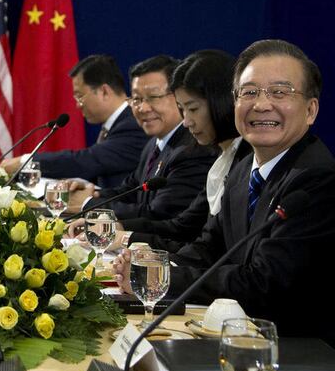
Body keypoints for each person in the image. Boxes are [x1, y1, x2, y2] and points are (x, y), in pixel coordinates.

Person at [112, 39, 335, 369]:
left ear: (311, 110)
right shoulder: (244, 168)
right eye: (248, 92)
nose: (261, 105)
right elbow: (208, 248)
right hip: (248, 345)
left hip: (314, 360)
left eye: (279, 92)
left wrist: (164, 281)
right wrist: (151, 268)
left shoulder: (317, 180)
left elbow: (263, 285)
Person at [72, 50, 251, 252]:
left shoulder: (203, 153)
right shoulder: (218, 157)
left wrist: (105, 220)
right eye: (137, 99)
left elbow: (177, 227)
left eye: (192, 109)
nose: (187, 121)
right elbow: (181, 226)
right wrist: (115, 226)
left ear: (221, 102)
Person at [71, 55, 217, 220]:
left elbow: (158, 214)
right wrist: (91, 193)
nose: (143, 108)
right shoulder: (153, 144)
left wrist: (88, 204)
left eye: (153, 97)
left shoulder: (193, 151)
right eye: (136, 99)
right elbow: (130, 190)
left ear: (178, 96)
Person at [0, 54, 147, 188]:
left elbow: (87, 160)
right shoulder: (116, 124)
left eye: (80, 96)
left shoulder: (133, 124)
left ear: (104, 91)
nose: (77, 105)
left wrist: (25, 161)